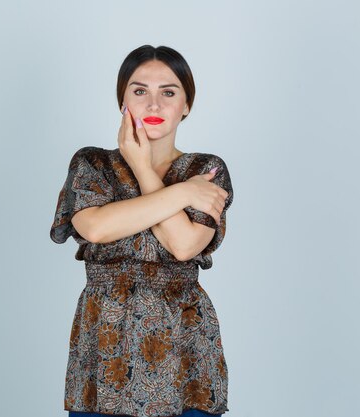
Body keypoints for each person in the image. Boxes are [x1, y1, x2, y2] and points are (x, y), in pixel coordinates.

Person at [49, 45, 234, 417]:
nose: (153, 105)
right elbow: (97, 227)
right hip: (105, 344)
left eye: (168, 92)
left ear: (186, 105)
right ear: (122, 101)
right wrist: (181, 192)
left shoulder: (207, 169)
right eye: (139, 91)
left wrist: (142, 167)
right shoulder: (92, 163)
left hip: (183, 343)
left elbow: (182, 245)